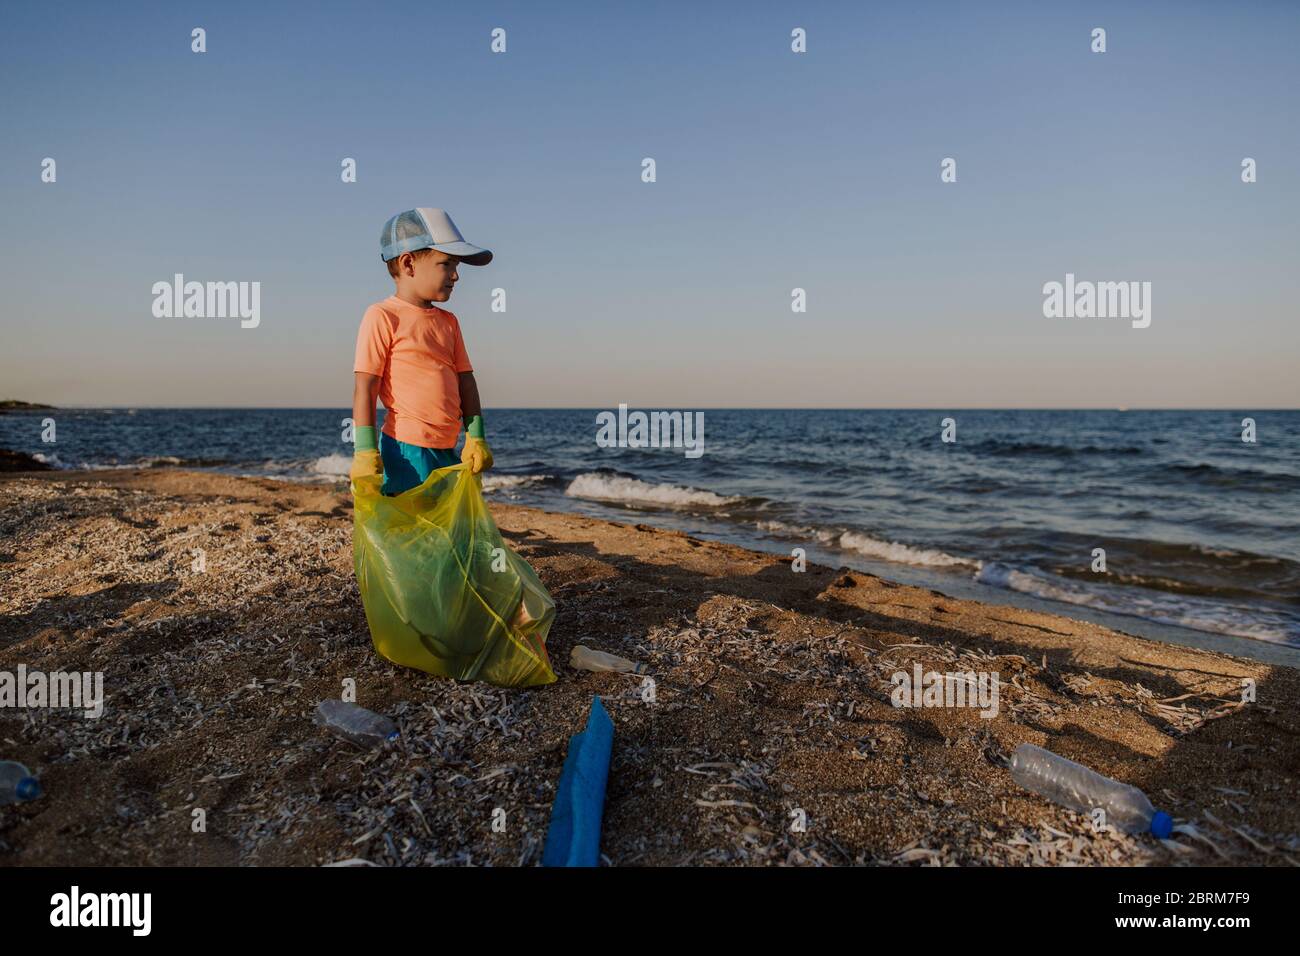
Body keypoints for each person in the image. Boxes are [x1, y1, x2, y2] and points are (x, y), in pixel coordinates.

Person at [350, 208, 495, 495]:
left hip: (447, 446)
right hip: (406, 449)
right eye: (447, 264)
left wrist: (475, 437)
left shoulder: (449, 322)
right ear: (408, 263)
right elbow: (365, 386)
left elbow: (466, 380)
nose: (456, 276)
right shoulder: (382, 316)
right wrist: (364, 451)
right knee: (410, 526)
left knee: (451, 525)